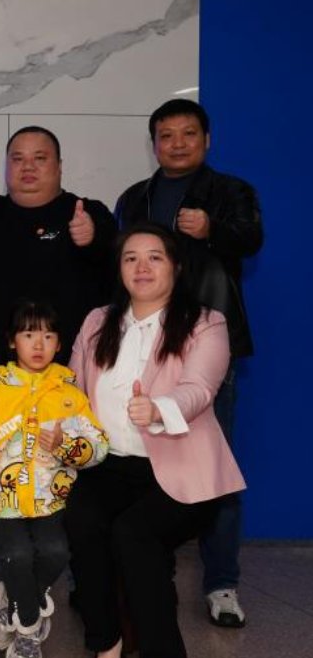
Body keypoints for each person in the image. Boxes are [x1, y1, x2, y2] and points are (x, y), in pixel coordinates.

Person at [65, 224, 244, 658]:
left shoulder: (206, 322)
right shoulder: (98, 321)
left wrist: (159, 408)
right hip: (108, 465)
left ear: (176, 266)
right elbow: (73, 389)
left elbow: (200, 388)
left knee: (134, 534)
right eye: (130, 258)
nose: (141, 268)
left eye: (155, 257)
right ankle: (106, 642)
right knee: (83, 520)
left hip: (183, 472)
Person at [114, 98, 262, 629]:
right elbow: (120, 264)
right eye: (167, 135)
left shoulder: (231, 192)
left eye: (188, 134)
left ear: (207, 140)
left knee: (211, 468)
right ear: (153, 143)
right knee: (137, 462)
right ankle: (147, 567)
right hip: (143, 348)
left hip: (204, 346)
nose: (177, 144)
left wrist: (212, 229)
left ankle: (221, 583)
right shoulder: (135, 197)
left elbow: (251, 239)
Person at [0, 300, 107, 658]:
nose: (38, 344)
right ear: (12, 342)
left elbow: (98, 447)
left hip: (51, 501)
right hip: (3, 502)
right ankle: (28, 632)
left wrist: (64, 445)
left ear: (59, 344)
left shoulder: (70, 395)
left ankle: (12, 604)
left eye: (48, 335)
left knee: (56, 552)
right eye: (28, 335)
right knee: (17, 554)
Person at [0, 126, 115, 382]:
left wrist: (92, 238)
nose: (28, 167)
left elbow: (116, 270)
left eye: (40, 158)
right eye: (18, 159)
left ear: (59, 166)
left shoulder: (89, 213)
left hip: (70, 376)